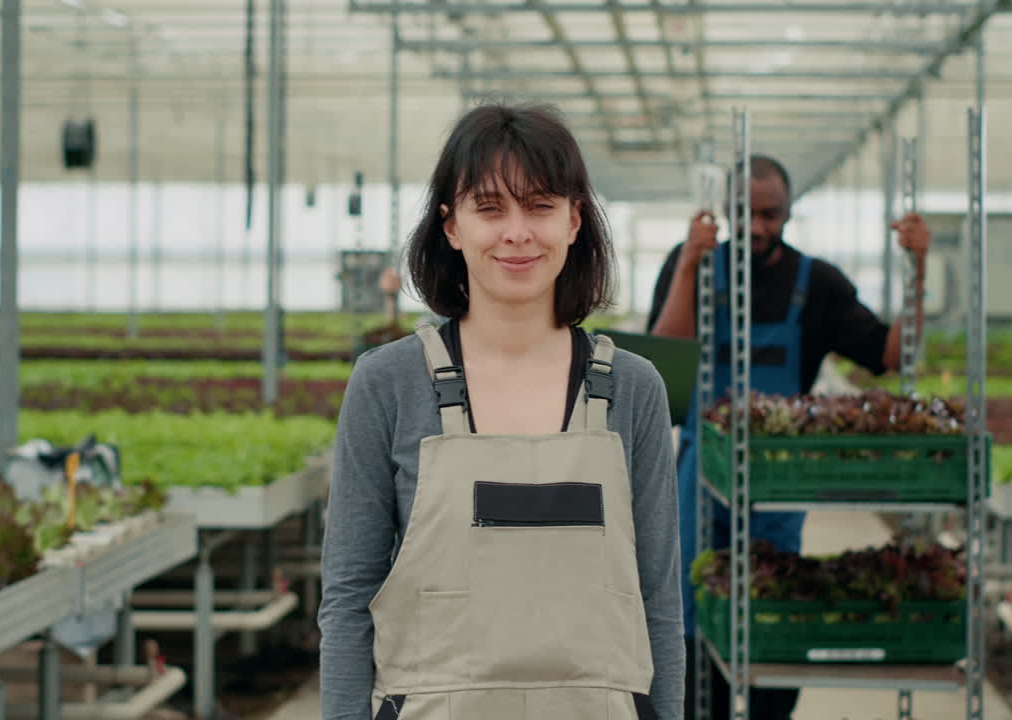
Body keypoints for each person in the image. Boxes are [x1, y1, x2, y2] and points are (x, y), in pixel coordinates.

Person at [319, 102, 685, 720]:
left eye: (539, 206)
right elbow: (349, 597)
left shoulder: (631, 388)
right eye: (490, 208)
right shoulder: (387, 384)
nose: (517, 232)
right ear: (451, 226)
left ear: (574, 220)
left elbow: (659, 601)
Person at [646, 154, 929, 720]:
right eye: (744, 214)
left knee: (770, 614)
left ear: (789, 211)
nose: (757, 227)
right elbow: (664, 361)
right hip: (698, 476)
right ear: (726, 213)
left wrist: (918, 271)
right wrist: (690, 264)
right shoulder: (694, 265)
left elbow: (891, 356)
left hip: (775, 487)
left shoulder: (817, 282)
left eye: (770, 214)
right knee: (689, 622)